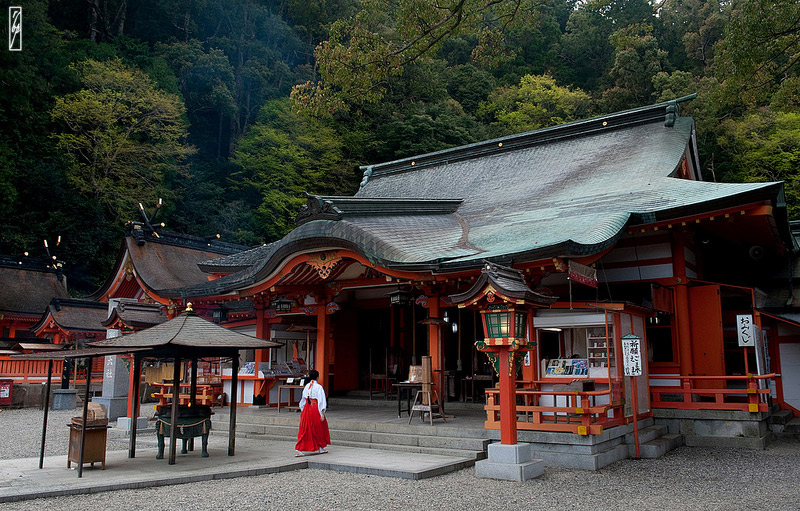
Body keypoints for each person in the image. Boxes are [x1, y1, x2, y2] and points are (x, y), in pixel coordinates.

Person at [295, 369, 330, 456]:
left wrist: (303, 409)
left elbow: (303, 400)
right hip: (315, 407)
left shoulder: (307, 386)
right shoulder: (319, 387)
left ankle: (302, 448)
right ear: (317, 377)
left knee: (305, 428)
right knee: (319, 428)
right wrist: (322, 412)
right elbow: (321, 400)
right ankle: (320, 447)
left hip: (307, 407)